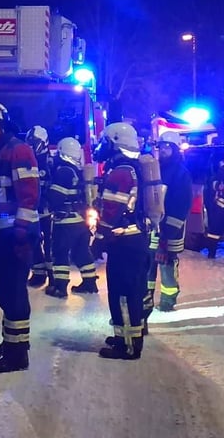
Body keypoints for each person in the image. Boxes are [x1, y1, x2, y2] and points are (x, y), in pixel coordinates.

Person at [0, 102, 39, 373]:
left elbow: (29, 194)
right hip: (0, 235)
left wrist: (22, 231)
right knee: (3, 292)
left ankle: (17, 355)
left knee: (13, 294)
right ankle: (10, 343)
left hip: (15, 234)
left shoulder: (19, 150)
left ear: (3, 125)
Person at [94, 122, 149, 360]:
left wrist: (98, 239)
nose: (102, 146)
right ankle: (125, 337)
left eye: (106, 141)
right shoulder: (132, 167)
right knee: (131, 290)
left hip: (124, 242)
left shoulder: (120, 172)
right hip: (134, 240)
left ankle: (127, 345)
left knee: (123, 294)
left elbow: (111, 211)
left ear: (115, 142)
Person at [45, 137, 99, 298]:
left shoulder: (63, 171)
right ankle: (90, 283)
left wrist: (46, 194)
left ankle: (60, 288)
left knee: (60, 252)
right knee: (81, 252)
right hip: (80, 221)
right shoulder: (78, 170)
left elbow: (56, 197)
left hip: (65, 221)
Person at [146, 131, 192, 314]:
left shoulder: (181, 173)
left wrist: (169, 230)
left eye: (167, 147)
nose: (163, 150)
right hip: (153, 227)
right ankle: (146, 297)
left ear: (174, 148)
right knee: (149, 262)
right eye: (161, 147)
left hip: (170, 229)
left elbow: (182, 204)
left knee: (167, 264)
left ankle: (168, 299)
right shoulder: (156, 170)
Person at [25, 125, 54, 288]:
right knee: (33, 241)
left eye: (34, 142)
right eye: (29, 142)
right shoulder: (28, 160)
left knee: (50, 244)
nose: (31, 145)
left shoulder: (50, 162)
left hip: (47, 209)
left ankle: (53, 277)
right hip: (32, 209)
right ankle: (38, 273)